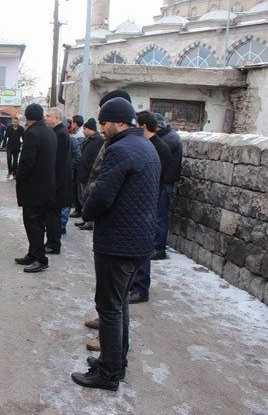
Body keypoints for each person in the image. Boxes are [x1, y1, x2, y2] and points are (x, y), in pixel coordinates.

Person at [71, 96, 160, 391]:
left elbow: (102, 195)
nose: (103, 128)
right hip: (138, 241)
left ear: (119, 122)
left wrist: (87, 209)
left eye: (106, 123)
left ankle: (108, 374)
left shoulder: (121, 150)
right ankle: (115, 362)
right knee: (119, 304)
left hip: (118, 242)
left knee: (109, 306)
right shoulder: (146, 146)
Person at [129, 111, 171, 304]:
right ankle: (133, 284)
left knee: (143, 247)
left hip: (148, 202)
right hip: (141, 201)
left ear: (143, 126)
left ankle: (140, 288)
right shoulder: (148, 145)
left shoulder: (159, 148)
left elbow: (155, 179)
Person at [14, 104, 57, 273]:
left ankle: (40, 258)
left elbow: (27, 162)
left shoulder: (32, 133)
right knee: (37, 222)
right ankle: (33, 254)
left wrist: (20, 178)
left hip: (34, 188)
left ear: (28, 117)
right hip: (46, 186)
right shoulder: (50, 132)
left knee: (33, 223)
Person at [153, 113, 183, 260]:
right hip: (164, 181)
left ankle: (159, 248)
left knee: (160, 216)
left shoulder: (169, 139)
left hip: (165, 182)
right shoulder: (167, 137)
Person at [44, 107, 72, 255]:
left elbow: (58, 162)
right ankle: (51, 242)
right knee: (51, 215)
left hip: (58, 183)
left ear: (57, 118)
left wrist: (53, 183)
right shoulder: (57, 132)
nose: (45, 118)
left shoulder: (60, 134)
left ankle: (54, 244)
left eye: (48, 116)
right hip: (57, 182)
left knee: (53, 215)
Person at [74, 118, 104, 231]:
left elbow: (96, 159)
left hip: (89, 175)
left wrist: (89, 171)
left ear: (89, 129)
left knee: (88, 198)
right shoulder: (88, 140)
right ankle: (85, 219)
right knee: (82, 197)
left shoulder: (98, 140)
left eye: (85, 129)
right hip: (82, 173)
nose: (83, 131)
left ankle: (90, 221)